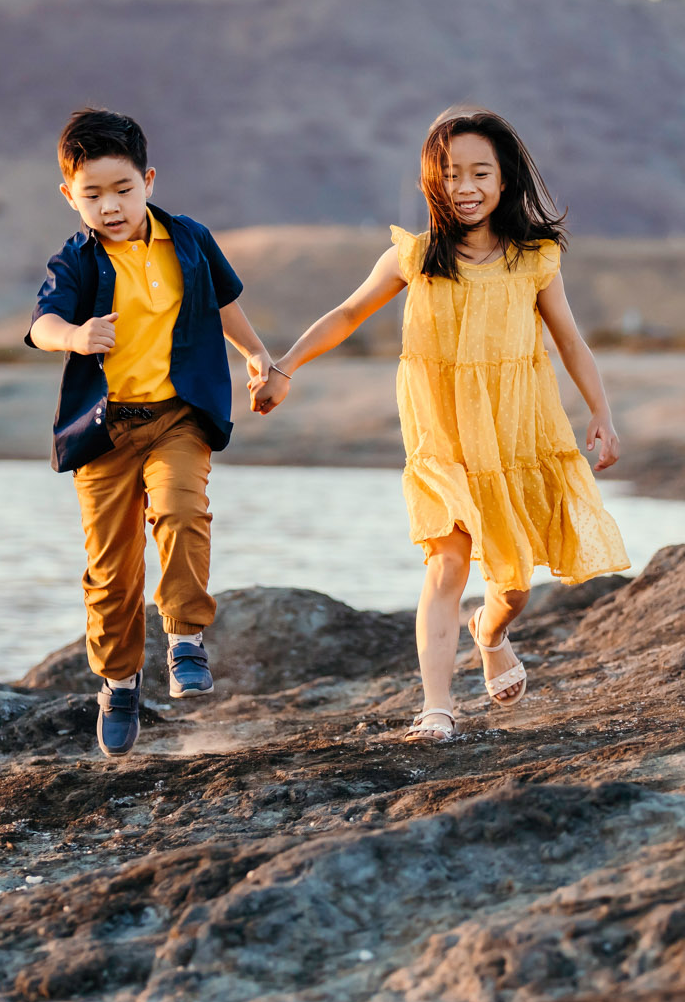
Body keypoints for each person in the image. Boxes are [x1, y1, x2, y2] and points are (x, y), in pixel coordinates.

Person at [250, 107, 629, 742]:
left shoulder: (534, 261)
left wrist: (602, 414)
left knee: (514, 584)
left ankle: (491, 631)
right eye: (451, 174)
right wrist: (285, 365)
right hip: (442, 438)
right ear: (434, 182)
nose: (466, 186)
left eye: (481, 172)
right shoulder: (415, 257)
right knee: (447, 562)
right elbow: (347, 314)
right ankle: (436, 706)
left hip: (515, 436)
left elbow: (571, 343)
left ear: (505, 179)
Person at [26, 108, 277, 758]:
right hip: (105, 431)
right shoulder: (77, 261)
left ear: (150, 181)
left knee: (183, 511)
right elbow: (43, 322)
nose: (109, 206)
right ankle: (119, 681)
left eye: (122, 190)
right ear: (69, 196)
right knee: (113, 572)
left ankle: (187, 635)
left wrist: (256, 355)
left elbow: (224, 305)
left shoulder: (189, 239)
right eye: (92, 195)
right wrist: (77, 336)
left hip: (176, 416)